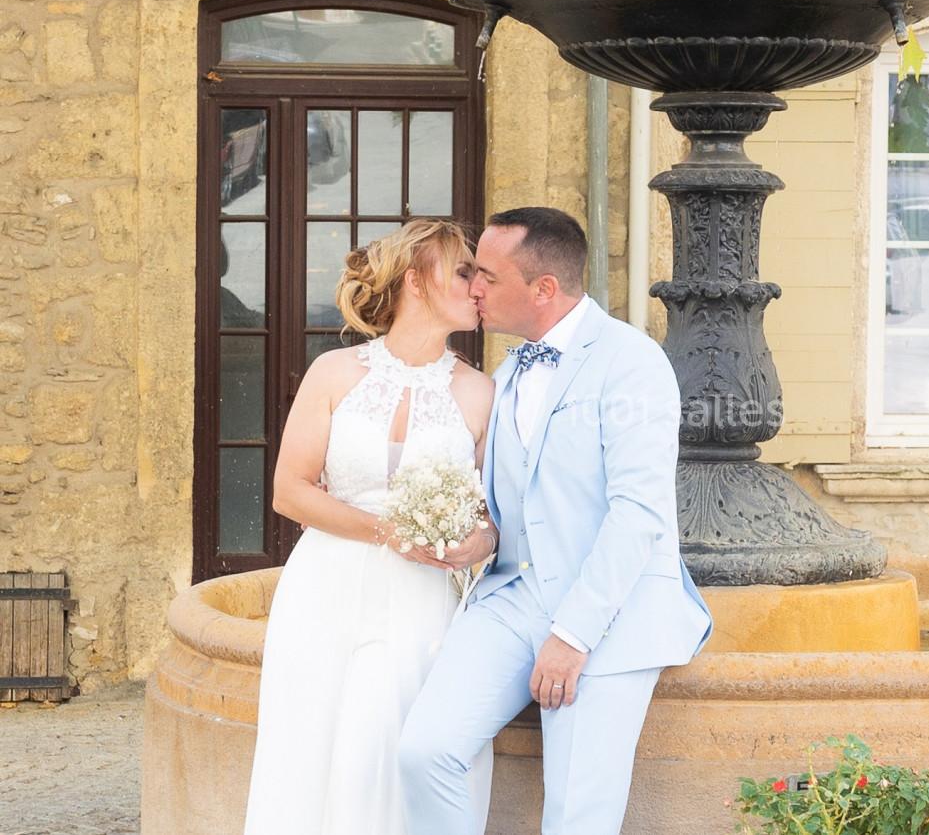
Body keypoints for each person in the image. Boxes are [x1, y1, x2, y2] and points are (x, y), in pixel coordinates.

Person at [397, 207, 714, 834]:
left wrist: (573, 636)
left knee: (576, 814)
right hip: (513, 596)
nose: (473, 287)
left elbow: (637, 512)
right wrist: (477, 535)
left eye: (485, 274)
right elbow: (513, 498)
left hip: (609, 612)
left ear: (544, 288)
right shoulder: (510, 369)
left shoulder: (633, 362)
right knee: (425, 750)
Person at [243, 219, 497, 835]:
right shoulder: (334, 372)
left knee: (382, 749)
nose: (478, 284)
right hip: (326, 587)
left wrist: (477, 542)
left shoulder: (481, 392)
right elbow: (288, 491)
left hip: (423, 600)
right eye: (463, 269)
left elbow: (496, 516)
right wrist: (391, 535)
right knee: (308, 749)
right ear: (417, 279)